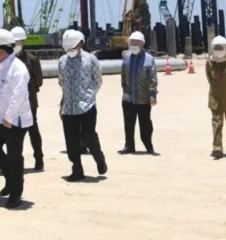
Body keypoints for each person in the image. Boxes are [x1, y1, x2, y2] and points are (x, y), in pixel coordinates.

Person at [0, 29, 33, 209]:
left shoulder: (18, 68)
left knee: (14, 156)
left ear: (1, 50)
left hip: (14, 120)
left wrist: (9, 117)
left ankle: (16, 192)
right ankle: (11, 179)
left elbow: (18, 95)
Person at [58, 29, 107, 181]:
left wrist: (89, 96)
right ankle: (77, 170)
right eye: (68, 48)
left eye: (73, 47)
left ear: (81, 43)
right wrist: (62, 103)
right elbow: (62, 83)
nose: (70, 50)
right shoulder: (62, 61)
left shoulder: (91, 60)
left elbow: (98, 81)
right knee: (71, 141)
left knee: (88, 136)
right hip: (69, 108)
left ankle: (99, 158)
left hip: (87, 106)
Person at [118, 31, 158, 155]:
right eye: (131, 43)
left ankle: (149, 146)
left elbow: (153, 78)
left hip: (143, 98)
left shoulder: (149, 59)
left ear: (142, 44)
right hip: (128, 98)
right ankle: (129, 146)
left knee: (145, 125)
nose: (133, 45)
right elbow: (123, 75)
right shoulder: (126, 57)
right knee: (128, 124)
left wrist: (153, 94)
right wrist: (124, 90)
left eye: (136, 43)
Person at [10, 26, 44, 171]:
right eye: (14, 43)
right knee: (14, 134)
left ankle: (39, 160)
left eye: (19, 42)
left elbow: (39, 80)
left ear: (24, 42)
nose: (17, 45)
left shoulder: (32, 59)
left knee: (33, 131)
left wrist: (30, 89)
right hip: (13, 102)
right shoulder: (8, 60)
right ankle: (15, 161)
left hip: (30, 102)